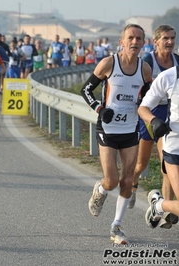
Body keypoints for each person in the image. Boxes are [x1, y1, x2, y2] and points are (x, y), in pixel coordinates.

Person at [80, 24, 152, 244]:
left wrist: (142, 104)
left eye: (139, 38)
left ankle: (116, 227)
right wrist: (100, 109)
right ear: (122, 41)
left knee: (128, 180)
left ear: (143, 42)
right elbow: (86, 90)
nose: (135, 42)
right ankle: (101, 190)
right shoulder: (109, 63)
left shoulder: (145, 69)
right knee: (111, 180)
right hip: (108, 129)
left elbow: (148, 96)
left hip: (130, 128)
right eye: (131, 38)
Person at [129, 25, 179, 229]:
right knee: (141, 164)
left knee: (165, 167)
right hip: (151, 116)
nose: (169, 42)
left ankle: (167, 211)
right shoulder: (148, 61)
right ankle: (132, 186)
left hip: (168, 116)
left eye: (172, 38)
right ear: (156, 41)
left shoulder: (176, 61)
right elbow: (139, 94)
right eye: (165, 38)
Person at [138, 65, 179, 230]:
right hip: (174, 150)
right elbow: (143, 108)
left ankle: (159, 205)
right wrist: (154, 121)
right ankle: (160, 206)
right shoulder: (169, 76)